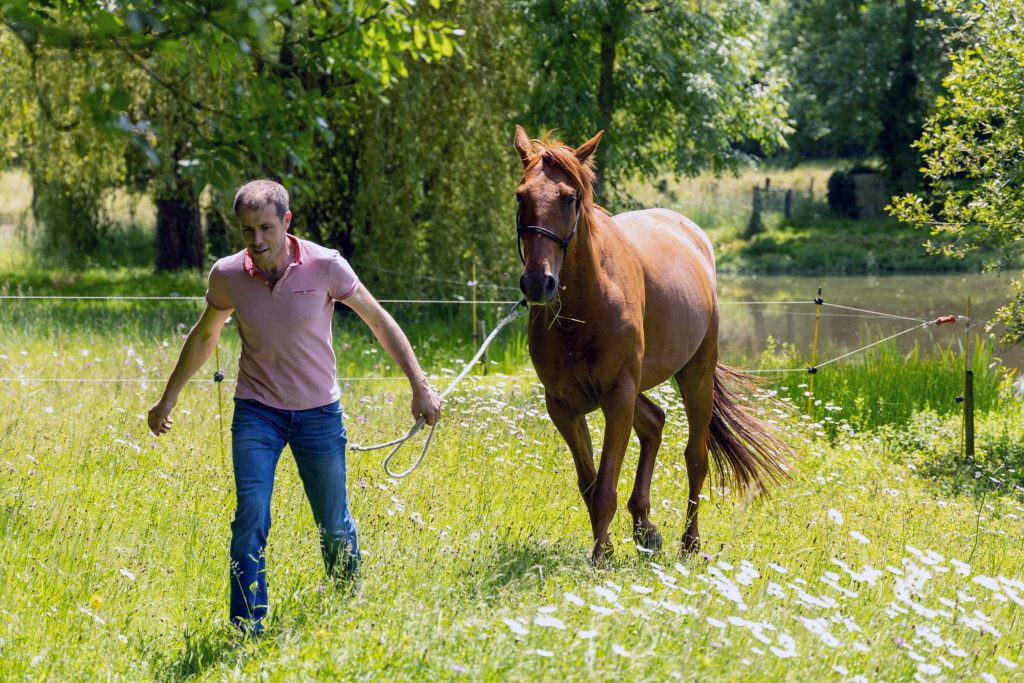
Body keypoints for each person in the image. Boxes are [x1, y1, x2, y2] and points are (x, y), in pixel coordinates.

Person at [147, 179, 441, 634]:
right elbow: (205, 336)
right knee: (250, 517)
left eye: (265, 228)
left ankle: (347, 608)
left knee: (333, 523)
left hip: (318, 414)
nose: (257, 241)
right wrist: (168, 398)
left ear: (287, 221)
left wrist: (419, 385)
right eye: (247, 231)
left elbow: (379, 323)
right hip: (256, 412)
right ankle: (248, 628)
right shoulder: (227, 275)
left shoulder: (326, 266)